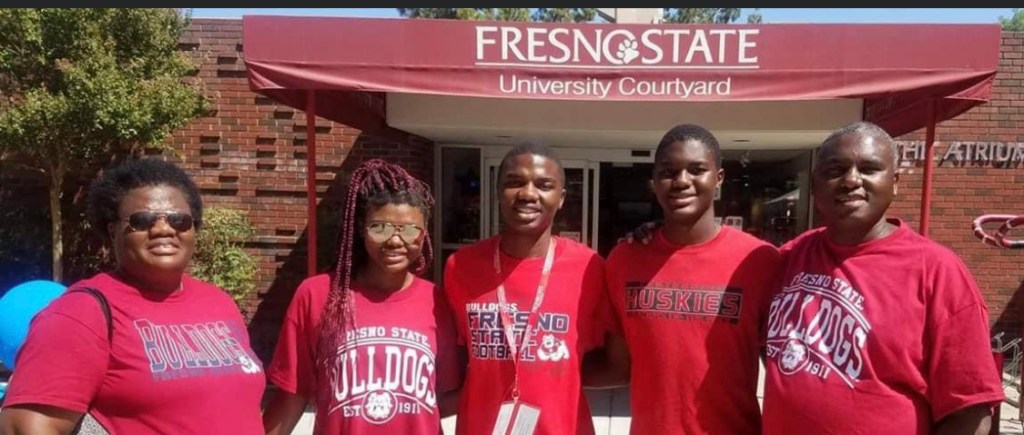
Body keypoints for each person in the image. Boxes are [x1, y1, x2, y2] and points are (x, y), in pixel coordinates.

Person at [762, 121, 1005, 434]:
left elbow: (971, 410)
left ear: (895, 182)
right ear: (815, 183)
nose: (850, 180)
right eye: (835, 169)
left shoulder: (937, 271)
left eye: (869, 168)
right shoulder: (790, 257)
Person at [0, 158, 265, 434]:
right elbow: (25, 428)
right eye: (143, 220)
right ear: (113, 230)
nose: (164, 229)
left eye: (179, 220)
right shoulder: (81, 312)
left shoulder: (219, 303)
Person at [596, 124, 781, 434]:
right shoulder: (624, 260)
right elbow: (618, 366)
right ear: (653, 183)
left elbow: (783, 376)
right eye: (669, 171)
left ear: (718, 179)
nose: (682, 181)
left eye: (697, 170)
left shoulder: (761, 261)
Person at [262, 159, 460, 435]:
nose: (394, 240)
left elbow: (442, 398)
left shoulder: (436, 301)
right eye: (380, 227)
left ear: (423, 235)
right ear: (360, 229)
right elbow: (292, 396)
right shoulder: (318, 295)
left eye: (410, 230)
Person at [443, 142, 610, 434]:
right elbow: (454, 361)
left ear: (561, 198)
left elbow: (614, 362)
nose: (528, 194)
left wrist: (556, 378)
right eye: (514, 182)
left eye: (544, 184)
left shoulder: (590, 268)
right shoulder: (461, 267)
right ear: (498, 193)